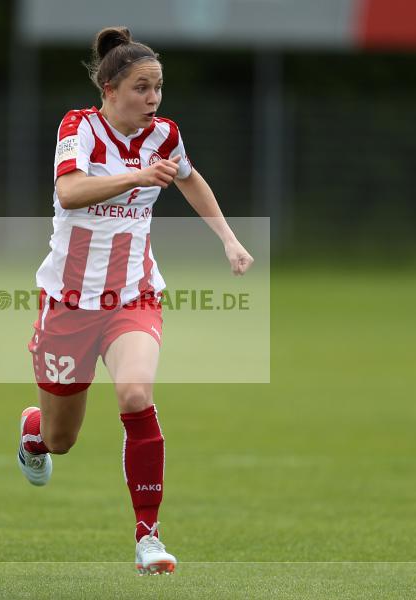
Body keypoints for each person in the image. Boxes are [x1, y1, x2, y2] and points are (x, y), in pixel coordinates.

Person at [17, 26, 253, 576]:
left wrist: (229, 237)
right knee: (61, 439)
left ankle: (149, 536)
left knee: (134, 392)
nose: (153, 100)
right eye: (142, 88)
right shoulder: (78, 127)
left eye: (158, 88)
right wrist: (137, 177)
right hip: (69, 304)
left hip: (134, 296)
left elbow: (190, 180)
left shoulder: (164, 136)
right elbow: (69, 191)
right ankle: (33, 431)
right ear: (109, 88)